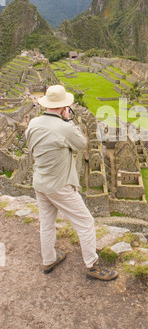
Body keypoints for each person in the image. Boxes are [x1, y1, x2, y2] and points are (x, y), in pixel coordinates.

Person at [25, 84, 117, 281]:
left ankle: (49, 259)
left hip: (39, 182)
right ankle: (92, 264)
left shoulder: (33, 123)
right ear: (64, 106)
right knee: (85, 223)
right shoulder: (64, 127)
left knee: (47, 223)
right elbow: (81, 143)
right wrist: (68, 121)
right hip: (59, 185)